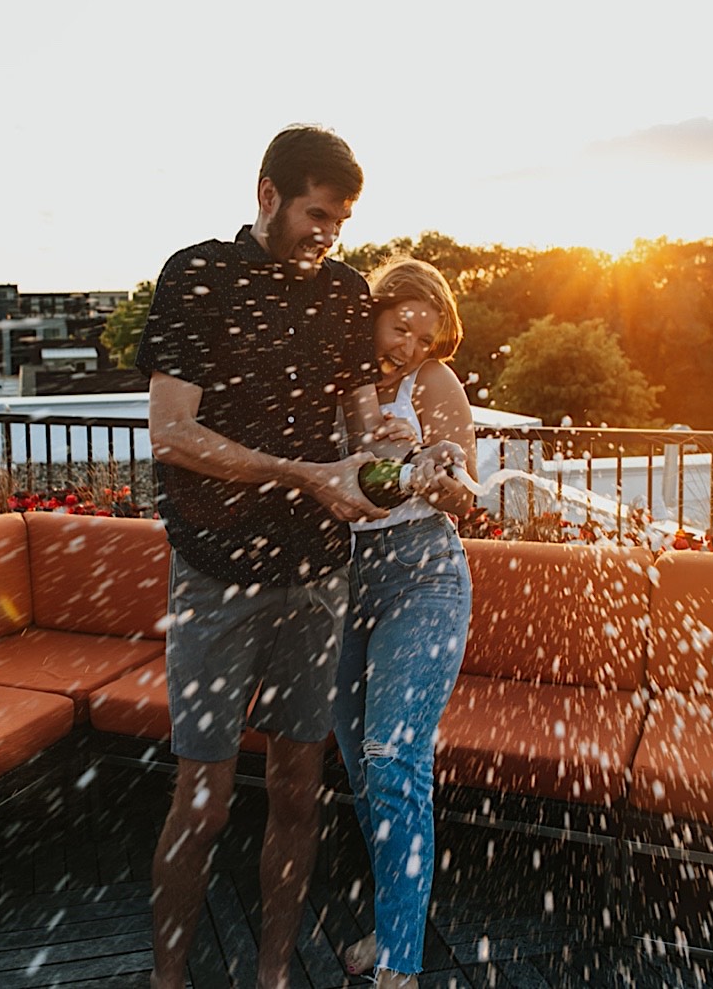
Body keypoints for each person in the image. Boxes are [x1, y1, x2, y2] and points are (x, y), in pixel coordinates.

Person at [135, 126, 466, 989]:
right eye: (317, 214)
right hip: (215, 575)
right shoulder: (197, 276)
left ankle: (274, 976)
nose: (328, 234)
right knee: (201, 804)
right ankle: (168, 980)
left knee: (294, 793)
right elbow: (172, 435)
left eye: (343, 220)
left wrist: (402, 456)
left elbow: (360, 439)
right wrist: (307, 476)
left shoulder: (346, 294)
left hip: (319, 583)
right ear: (268, 194)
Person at [333, 259, 476, 989]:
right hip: (340, 588)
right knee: (364, 772)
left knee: (393, 761)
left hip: (424, 578)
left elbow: (461, 488)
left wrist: (430, 460)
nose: (412, 343)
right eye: (401, 325)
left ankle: (399, 969)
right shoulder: (339, 382)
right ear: (373, 315)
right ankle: (394, 926)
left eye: (427, 334)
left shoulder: (433, 385)